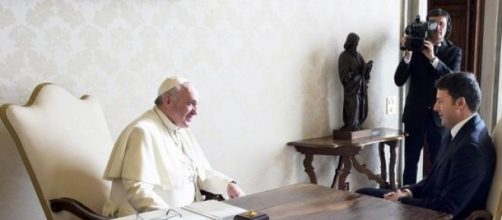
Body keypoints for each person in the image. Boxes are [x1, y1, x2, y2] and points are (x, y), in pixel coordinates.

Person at [357, 72, 495, 219]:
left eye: (440, 101)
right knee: (363, 194)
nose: (435, 107)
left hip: (435, 215)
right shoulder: (459, 131)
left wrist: (401, 201)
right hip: (428, 204)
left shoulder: (471, 149)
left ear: (460, 103)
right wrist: (408, 192)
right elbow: (433, 179)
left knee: (362, 203)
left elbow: (447, 208)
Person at [102, 76, 245, 217]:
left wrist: (227, 185)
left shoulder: (180, 130)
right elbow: (137, 190)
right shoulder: (142, 131)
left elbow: (200, 173)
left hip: (187, 214)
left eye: (197, 104)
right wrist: (171, 216)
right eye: (191, 103)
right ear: (168, 101)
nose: (196, 111)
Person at [395, 8, 462, 184]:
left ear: (447, 27)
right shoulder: (416, 47)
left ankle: (434, 203)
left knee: (438, 164)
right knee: (410, 164)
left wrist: (433, 59)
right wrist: (408, 55)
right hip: (414, 114)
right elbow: (398, 80)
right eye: (434, 23)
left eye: (442, 24)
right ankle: (405, 202)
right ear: (428, 25)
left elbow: (453, 81)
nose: (438, 28)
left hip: (440, 117)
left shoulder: (454, 52)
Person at [338, 32, 373, 131]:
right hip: (351, 88)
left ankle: (357, 124)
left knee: (362, 106)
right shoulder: (344, 56)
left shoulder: (358, 56)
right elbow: (343, 74)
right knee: (354, 104)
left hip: (361, 87)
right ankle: (351, 125)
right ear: (350, 43)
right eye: (355, 43)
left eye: (357, 44)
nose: (356, 46)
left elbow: (364, 71)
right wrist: (350, 75)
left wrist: (367, 68)